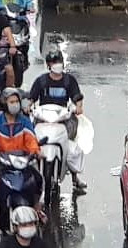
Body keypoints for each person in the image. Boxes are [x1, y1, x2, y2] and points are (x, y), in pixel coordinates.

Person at [29, 51, 87, 193]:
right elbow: (31, 98)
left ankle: (75, 177)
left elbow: (77, 97)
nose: (57, 65)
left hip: (63, 118)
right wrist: (27, 105)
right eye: (54, 62)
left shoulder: (69, 81)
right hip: (43, 118)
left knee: (71, 145)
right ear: (49, 65)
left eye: (59, 61)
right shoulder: (41, 81)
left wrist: (78, 107)